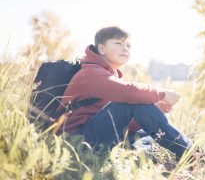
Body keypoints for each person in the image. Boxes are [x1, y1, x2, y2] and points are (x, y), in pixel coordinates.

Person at [56, 26, 191, 159]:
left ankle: (137, 155)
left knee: (148, 133)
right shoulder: (91, 73)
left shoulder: (108, 75)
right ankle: (191, 154)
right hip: (77, 142)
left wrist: (153, 111)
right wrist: (163, 94)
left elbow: (119, 122)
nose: (125, 48)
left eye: (128, 45)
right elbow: (132, 93)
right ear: (102, 48)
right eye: (118, 43)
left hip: (95, 136)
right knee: (133, 102)